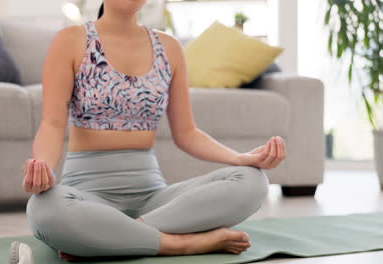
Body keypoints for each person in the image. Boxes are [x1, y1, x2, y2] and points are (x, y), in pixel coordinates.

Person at [22, 0, 286, 262]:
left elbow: (187, 133)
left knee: (253, 181)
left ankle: (108, 239)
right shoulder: (70, 40)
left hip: (154, 199)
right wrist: (42, 168)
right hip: (86, 197)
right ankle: (181, 244)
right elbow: (52, 124)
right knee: (44, 208)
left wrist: (240, 158)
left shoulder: (169, 48)